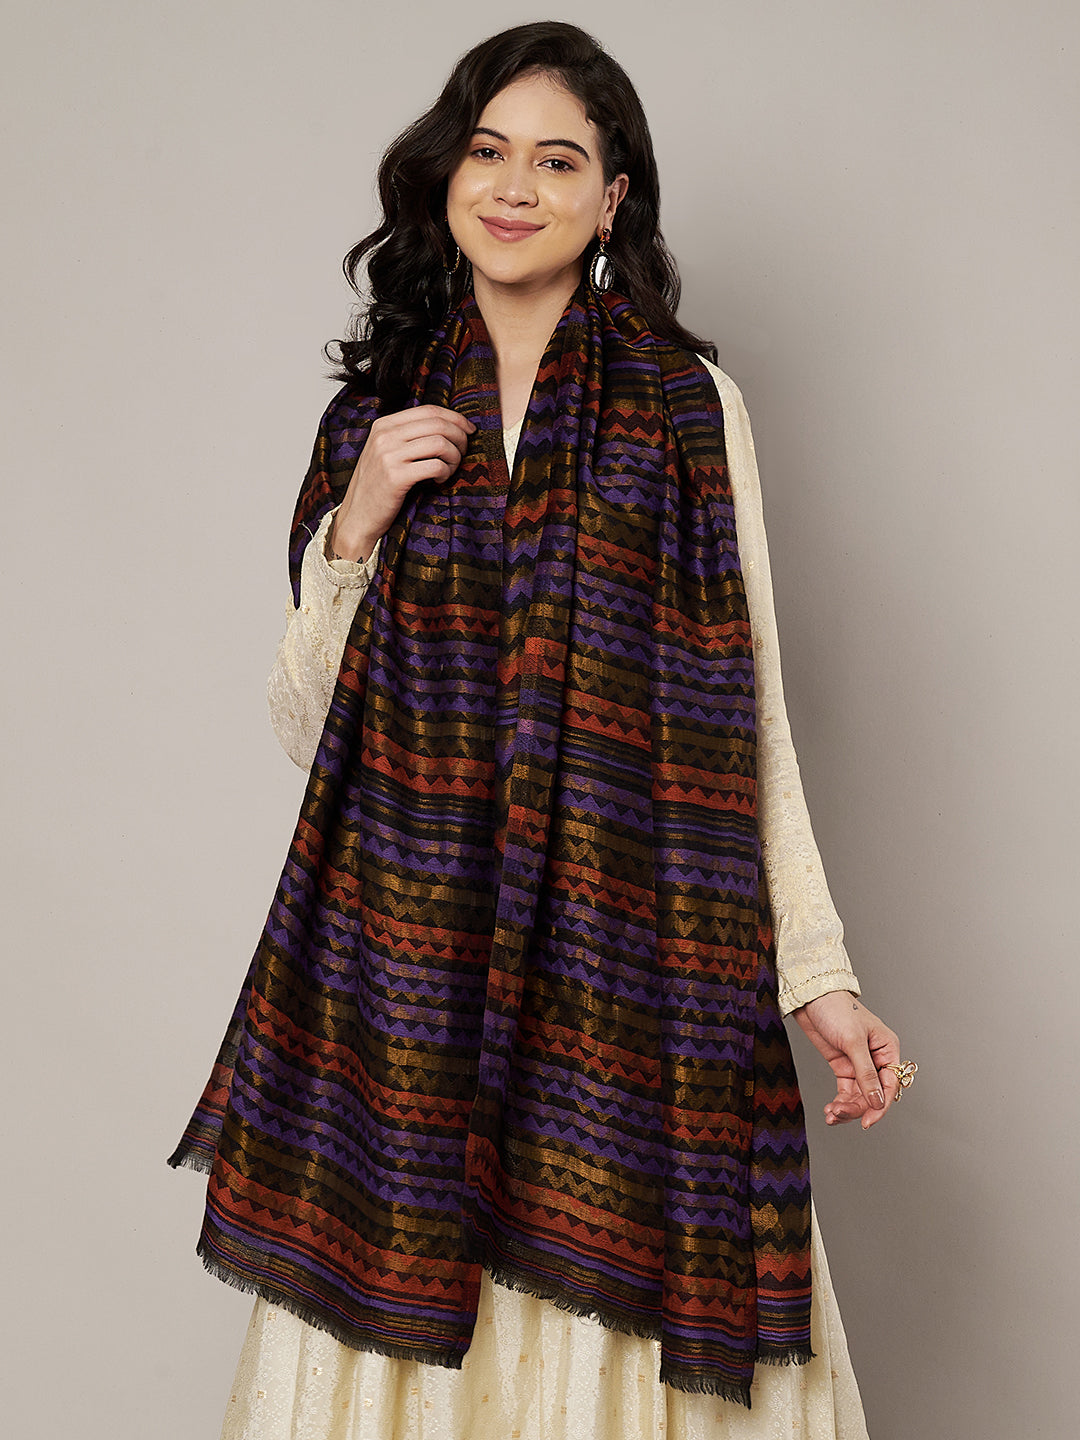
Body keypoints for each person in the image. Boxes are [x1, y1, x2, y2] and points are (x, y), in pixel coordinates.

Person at [171, 21, 916, 1440]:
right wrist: (357, 524)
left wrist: (815, 974)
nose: (515, 187)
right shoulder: (376, 416)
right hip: (410, 966)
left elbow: (745, 713)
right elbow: (308, 728)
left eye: (558, 160)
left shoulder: (687, 410)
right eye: (489, 151)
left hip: (634, 959)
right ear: (447, 176)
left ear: (612, 196)